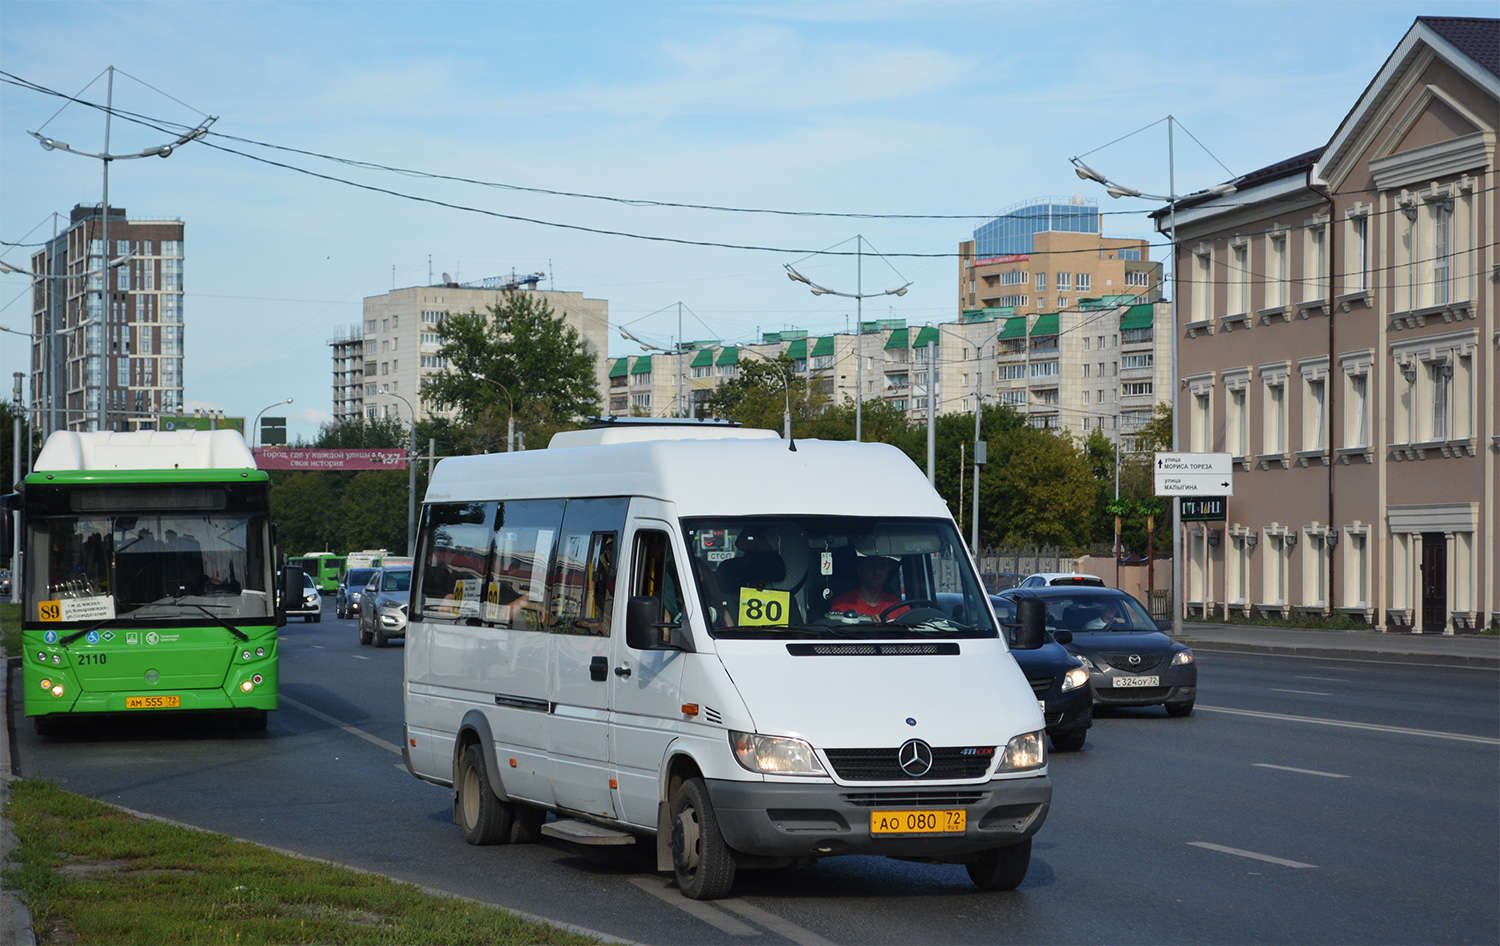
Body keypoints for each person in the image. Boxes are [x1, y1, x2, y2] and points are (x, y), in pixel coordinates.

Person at [829, 552, 903, 619]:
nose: (877, 572)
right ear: (859, 569)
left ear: (888, 570)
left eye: (882, 567)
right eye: (870, 566)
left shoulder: (897, 606)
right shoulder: (843, 604)